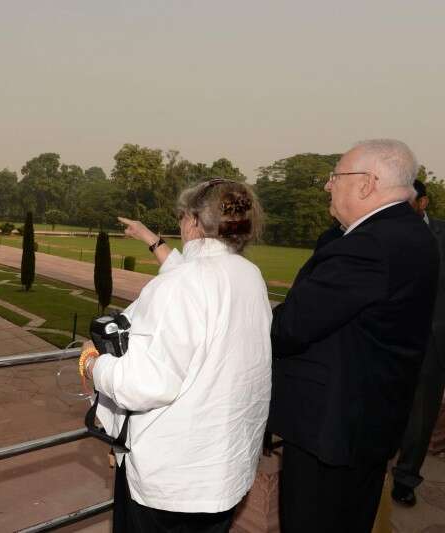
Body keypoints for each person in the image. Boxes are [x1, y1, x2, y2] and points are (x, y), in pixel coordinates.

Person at [81, 178, 272, 532]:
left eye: (183, 215)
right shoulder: (249, 275)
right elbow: (194, 281)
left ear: (196, 221)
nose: (181, 222)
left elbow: (143, 385)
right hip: (223, 472)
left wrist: (93, 364)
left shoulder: (181, 286)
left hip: (173, 483)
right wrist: (151, 240)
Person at [268, 139, 439, 533]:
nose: (328, 186)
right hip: (366, 427)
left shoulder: (370, 245)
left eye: (336, 177)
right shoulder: (410, 232)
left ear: (366, 183)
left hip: (332, 433)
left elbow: (290, 327)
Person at [391, 179, 445, 505]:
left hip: (432, 343)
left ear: (422, 203)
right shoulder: (379, 232)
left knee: (421, 418)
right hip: (386, 337)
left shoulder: (443, 234)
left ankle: (406, 479)